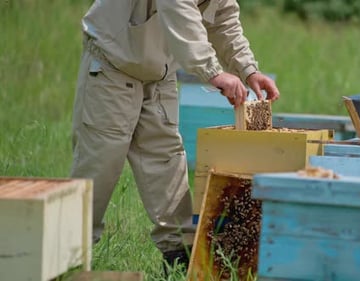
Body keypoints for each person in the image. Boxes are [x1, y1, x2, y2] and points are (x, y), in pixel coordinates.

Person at [70, 0, 280, 275]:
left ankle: (179, 257)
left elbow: (224, 18)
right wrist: (213, 72)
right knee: (99, 164)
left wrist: (248, 69)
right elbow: (178, 10)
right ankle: (66, 255)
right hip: (112, 65)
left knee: (168, 162)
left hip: (159, 74)